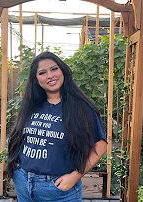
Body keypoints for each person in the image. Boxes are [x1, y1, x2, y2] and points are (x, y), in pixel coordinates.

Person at [6, 52, 107, 202]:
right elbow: (20, 137)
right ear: (36, 79)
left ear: (63, 71)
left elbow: (101, 145)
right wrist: (16, 167)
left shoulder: (81, 107)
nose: (50, 75)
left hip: (58, 190)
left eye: (54, 69)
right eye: (42, 72)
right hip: (23, 183)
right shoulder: (31, 105)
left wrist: (75, 176)